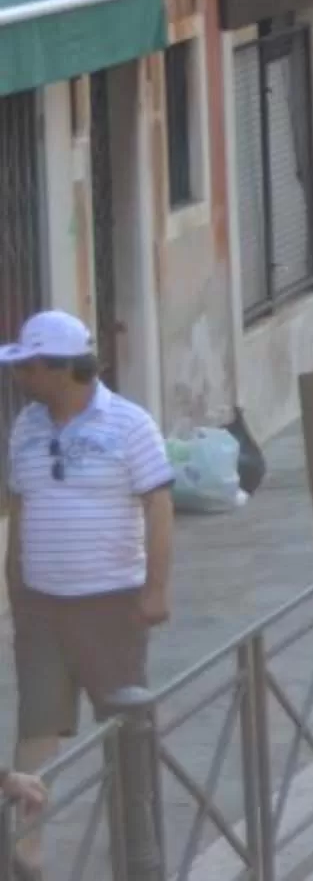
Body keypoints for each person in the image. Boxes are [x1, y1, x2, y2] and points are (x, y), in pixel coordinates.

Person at [6, 311, 170, 809]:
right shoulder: (24, 426)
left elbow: (158, 506)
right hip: (40, 607)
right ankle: (26, 845)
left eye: (29, 367)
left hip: (111, 602)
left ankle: (137, 836)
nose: (19, 376)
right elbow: (20, 508)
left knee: (125, 724)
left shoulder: (131, 424)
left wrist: (156, 590)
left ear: (61, 369)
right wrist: (16, 592)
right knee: (36, 726)